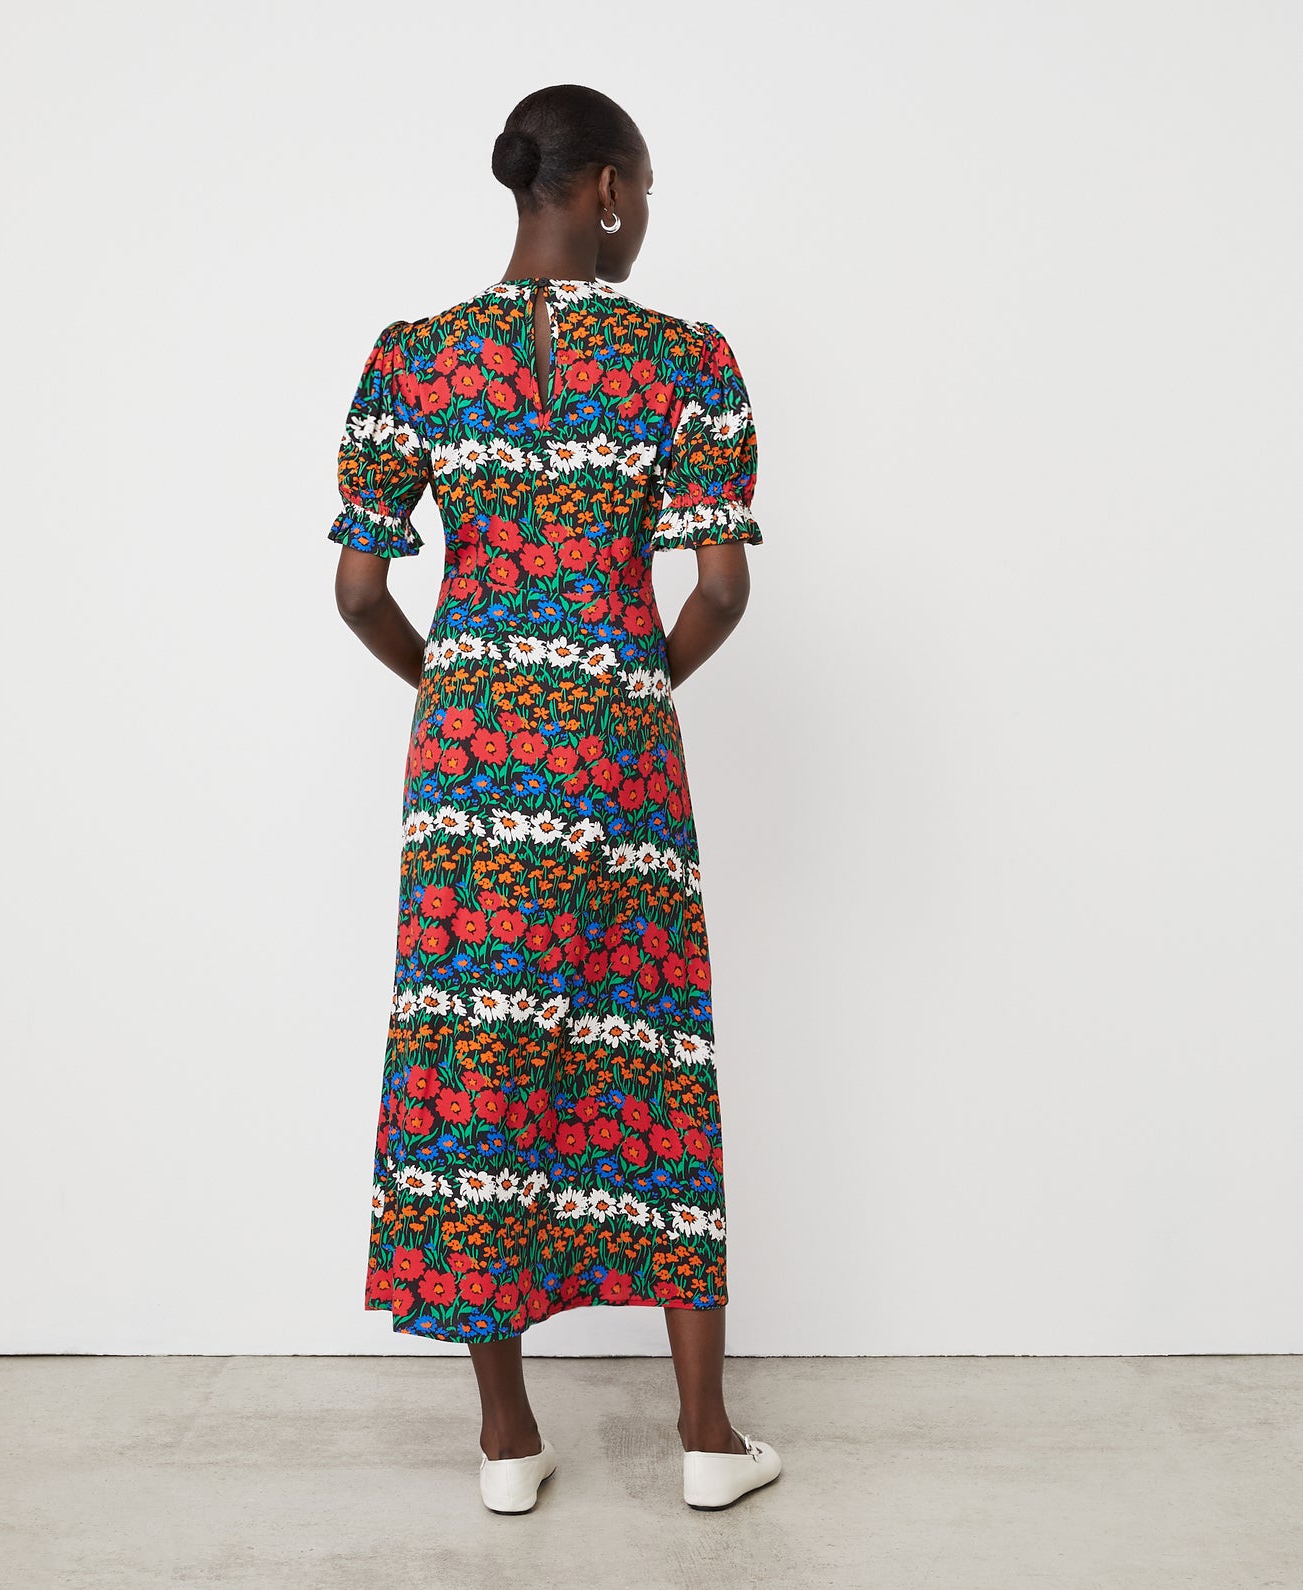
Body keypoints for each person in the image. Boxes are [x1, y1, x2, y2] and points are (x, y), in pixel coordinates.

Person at [327, 82, 781, 1514]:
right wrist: (615, 688)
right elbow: (718, 587)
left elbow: (356, 588)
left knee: (476, 1060)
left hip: (466, 764)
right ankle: (705, 1439)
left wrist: (461, 685)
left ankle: (506, 1441)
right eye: (637, 190)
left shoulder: (414, 359)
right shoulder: (683, 360)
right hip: (616, 757)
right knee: (651, 1054)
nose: (640, 216)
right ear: (600, 192)